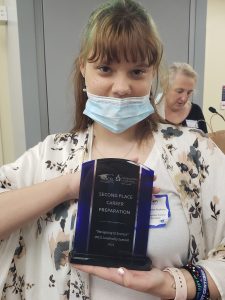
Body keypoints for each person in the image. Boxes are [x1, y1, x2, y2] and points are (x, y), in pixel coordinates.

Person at [0, 0, 224, 299]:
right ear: (84, 67)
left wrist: (174, 284)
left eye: (136, 72)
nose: (121, 86)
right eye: (105, 69)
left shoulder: (196, 155)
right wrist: (68, 186)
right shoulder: (51, 156)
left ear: (152, 73)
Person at [156, 62, 208, 133]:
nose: (184, 98)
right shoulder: (154, 114)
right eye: (179, 91)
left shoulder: (196, 111)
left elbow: (204, 141)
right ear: (166, 88)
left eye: (189, 92)